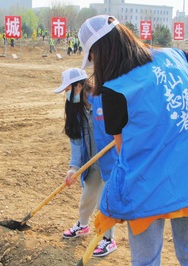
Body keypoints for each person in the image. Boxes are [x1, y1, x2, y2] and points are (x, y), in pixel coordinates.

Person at [78, 14, 188, 265]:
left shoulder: (113, 90)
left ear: (99, 53)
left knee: (146, 261)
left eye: (91, 58)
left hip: (150, 183)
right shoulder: (173, 56)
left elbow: (125, 153)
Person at [54, 68, 118, 257]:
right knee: (87, 197)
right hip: (91, 162)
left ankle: (108, 239)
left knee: (104, 202)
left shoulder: (103, 100)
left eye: (68, 89)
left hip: (111, 161)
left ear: (79, 86)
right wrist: (73, 168)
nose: (66, 94)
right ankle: (83, 226)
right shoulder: (76, 110)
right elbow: (76, 141)